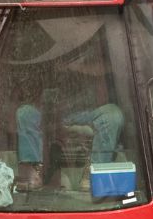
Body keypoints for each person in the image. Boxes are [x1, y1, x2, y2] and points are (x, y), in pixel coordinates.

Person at [14, 46, 124, 191]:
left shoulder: (95, 46)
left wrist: (77, 67)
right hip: (54, 110)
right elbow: (35, 94)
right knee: (25, 113)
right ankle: (33, 170)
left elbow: (105, 72)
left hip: (90, 110)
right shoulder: (46, 52)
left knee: (113, 114)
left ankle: (94, 172)